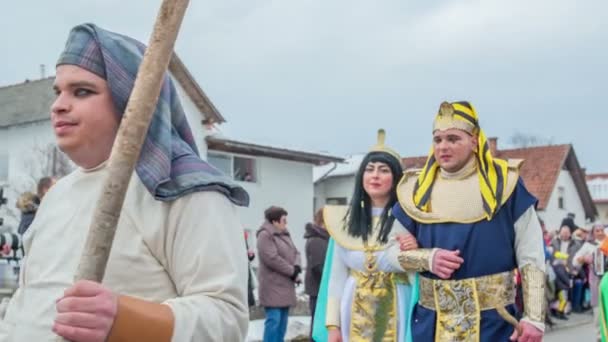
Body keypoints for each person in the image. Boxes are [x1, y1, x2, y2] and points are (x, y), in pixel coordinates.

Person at [0, 23, 250, 341]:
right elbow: (29, 301)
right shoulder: (57, 196)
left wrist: (125, 319)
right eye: (58, 91)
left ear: (129, 99)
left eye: (82, 91)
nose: (58, 105)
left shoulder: (183, 191)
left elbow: (226, 320)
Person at [392, 101, 546, 341]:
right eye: (438, 139)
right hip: (431, 324)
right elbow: (389, 255)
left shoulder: (504, 185)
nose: (443, 146)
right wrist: (426, 258)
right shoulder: (414, 191)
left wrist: (534, 317)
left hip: (494, 323)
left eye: (453, 139)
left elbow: (532, 254)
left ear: (474, 141)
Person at [313, 129, 419, 342]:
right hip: (353, 307)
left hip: (397, 302)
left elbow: (416, 278)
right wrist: (333, 326)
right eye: (369, 170)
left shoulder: (410, 221)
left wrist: (415, 252)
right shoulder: (344, 223)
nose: (375, 176)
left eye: (383, 170)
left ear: (396, 177)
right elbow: (336, 278)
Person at [256, 206, 301, 342]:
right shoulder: (265, 235)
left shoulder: (285, 234)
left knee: (282, 323)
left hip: (286, 285)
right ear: (274, 221)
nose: (286, 223)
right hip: (272, 286)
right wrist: (291, 271)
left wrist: (297, 266)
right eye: (283, 220)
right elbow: (272, 259)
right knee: (273, 321)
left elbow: (296, 252)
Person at [304, 208, 329, 340]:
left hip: (320, 290)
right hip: (318, 290)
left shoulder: (323, 238)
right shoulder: (317, 240)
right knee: (318, 326)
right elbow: (318, 267)